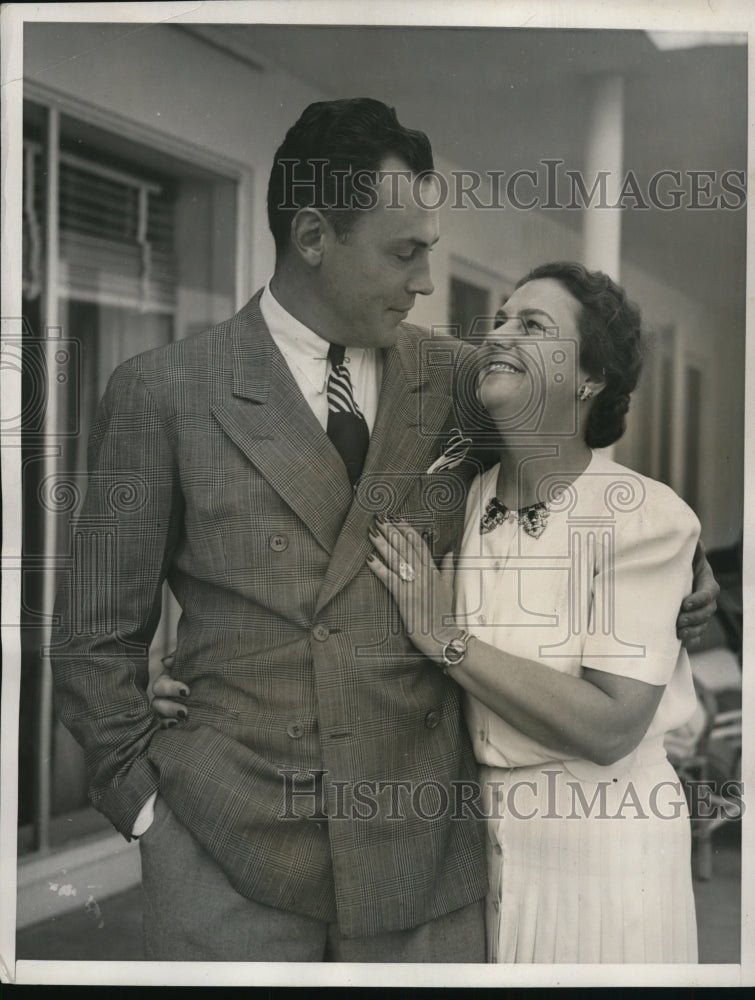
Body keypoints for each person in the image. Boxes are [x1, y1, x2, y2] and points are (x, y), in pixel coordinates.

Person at [51, 99, 715, 963]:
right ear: (315, 236)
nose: (426, 283)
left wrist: (681, 565)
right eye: (405, 252)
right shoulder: (164, 391)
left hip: (423, 867)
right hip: (224, 852)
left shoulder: (460, 377)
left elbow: (575, 458)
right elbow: (92, 640)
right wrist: (147, 809)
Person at [367, 262, 702, 963]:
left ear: (588, 378)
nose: (497, 336)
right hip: (481, 845)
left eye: (532, 326)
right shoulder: (456, 499)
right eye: (497, 321)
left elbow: (611, 726)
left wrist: (445, 639)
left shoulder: (642, 515)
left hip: (606, 850)